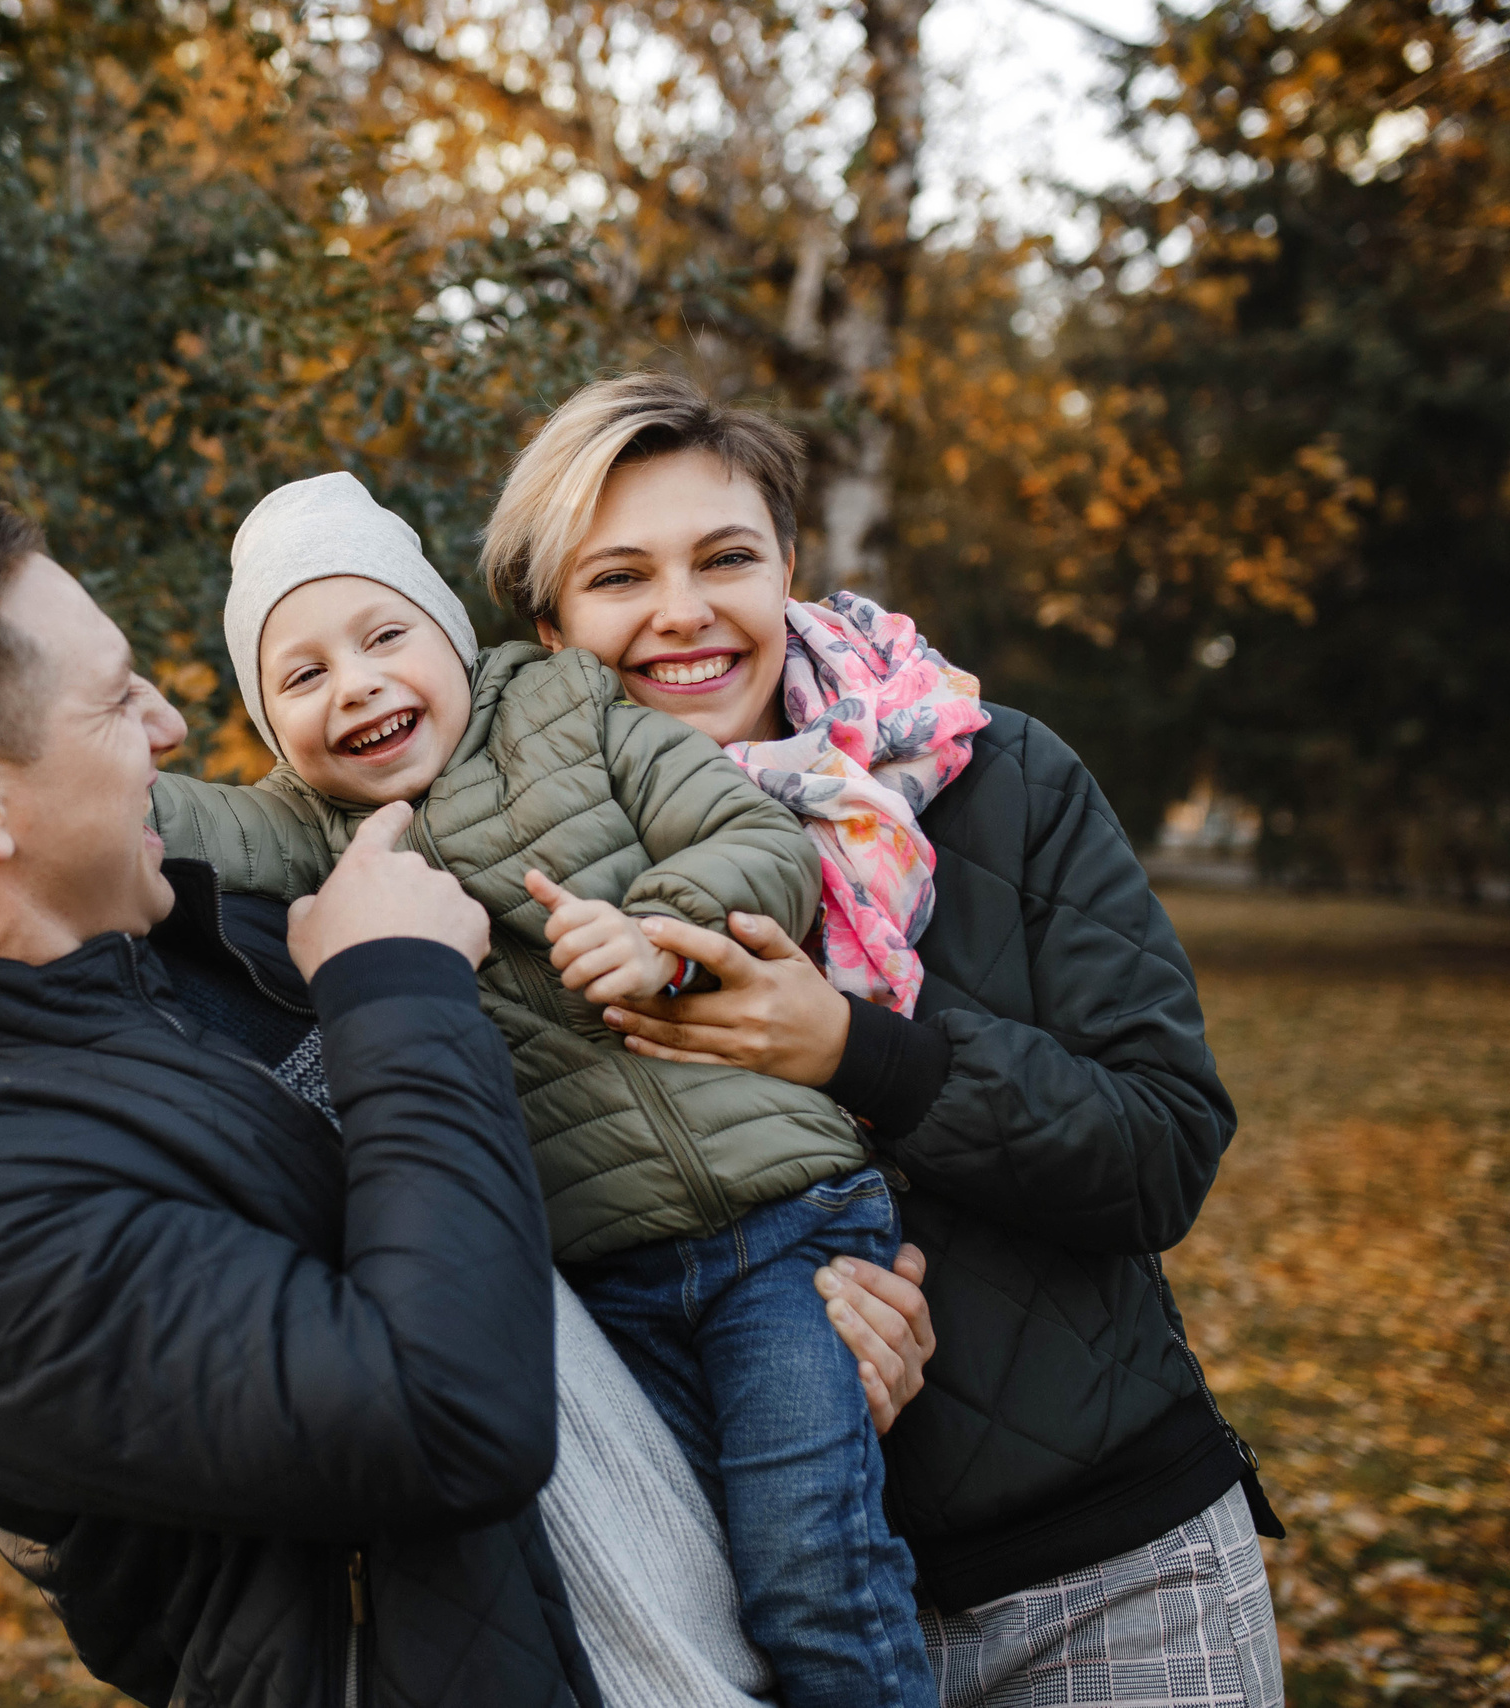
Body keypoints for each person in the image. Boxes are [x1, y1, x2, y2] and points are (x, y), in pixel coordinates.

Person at [0, 497, 940, 1708]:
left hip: (743, 1636)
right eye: (114, 699)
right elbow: (441, 1422)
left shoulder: (213, 930)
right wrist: (395, 990)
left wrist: (795, 1351)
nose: (169, 723)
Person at [481, 369, 1285, 1708]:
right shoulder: (515, 884)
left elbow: (1162, 1147)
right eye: (620, 577)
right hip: (752, 1626)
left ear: (789, 564)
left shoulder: (990, 772)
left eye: (725, 557)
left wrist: (864, 1054)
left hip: (1108, 1574)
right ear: (552, 622)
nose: (684, 612)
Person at [149, 470, 940, 1707]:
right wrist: (54, 757)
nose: (352, 682)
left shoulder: (571, 707)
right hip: (608, 1272)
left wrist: (659, 933)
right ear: (270, 720)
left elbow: (760, 845)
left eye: (382, 636)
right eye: (299, 676)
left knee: (807, 1570)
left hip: (781, 1226)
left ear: (453, 638)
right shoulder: (317, 827)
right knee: (696, 1587)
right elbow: (176, 825)